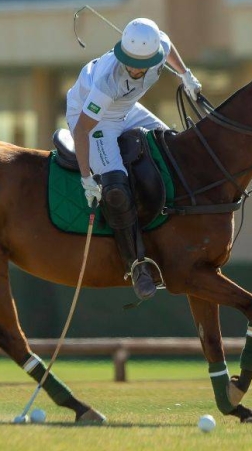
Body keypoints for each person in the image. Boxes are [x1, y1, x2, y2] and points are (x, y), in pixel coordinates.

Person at [65, 18, 202, 300]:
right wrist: (87, 178)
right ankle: (137, 266)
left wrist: (185, 74)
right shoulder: (107, 82)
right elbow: (81, 129)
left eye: (141, 63)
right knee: (116, 191)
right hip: (95, 118)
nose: (135, 68)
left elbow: (166, 40)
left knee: (173, 147)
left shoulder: (157, 49)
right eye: (129, 61)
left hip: (127, 108)